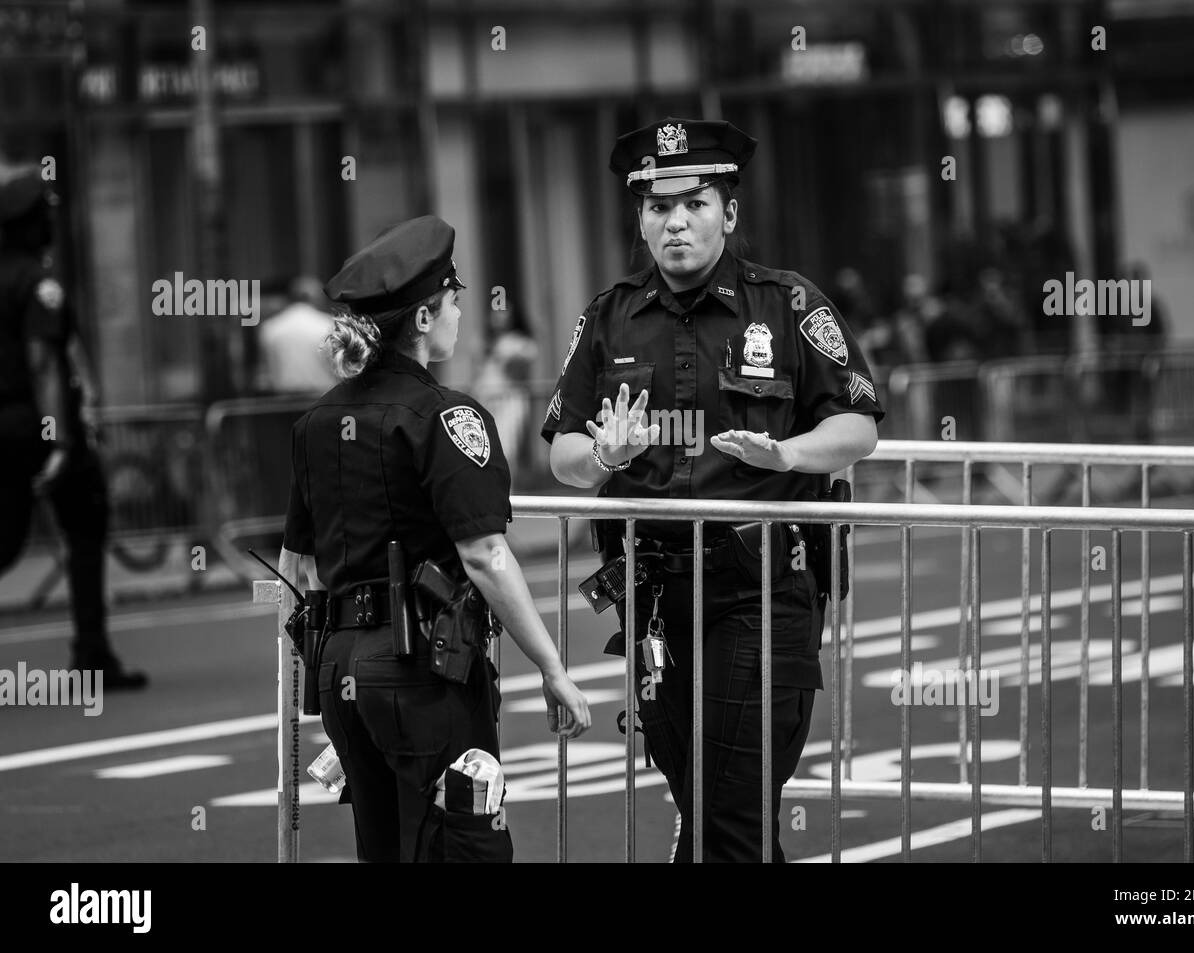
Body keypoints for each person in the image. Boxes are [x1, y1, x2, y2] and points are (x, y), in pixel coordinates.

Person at [542, 118, 884, 862]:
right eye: (659, 207)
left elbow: (858, 424)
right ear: (639, 219)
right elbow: (562, 453)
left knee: (725, 819)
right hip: (655, 601)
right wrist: (604, 453)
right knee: (716, 815)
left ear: (729, 213)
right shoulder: (606, 317)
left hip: (760, 590)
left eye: (695, 203)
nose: (676, 222)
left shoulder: (789, 305)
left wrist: (786, 451)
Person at [277, 215, 591, 863]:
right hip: (421, 668)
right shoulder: (446, 416)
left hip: (340, 668)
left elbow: (296, 566)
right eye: (454, 299)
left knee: (385, 848)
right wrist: (553, 668)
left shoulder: (317, 421)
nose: (459, 313)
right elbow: (484, 552)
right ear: (424, 318)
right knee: (465, 847)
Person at [0, 161, 146, 689]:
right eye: (45, 214)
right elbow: (43, 363)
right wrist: (58, 440)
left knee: (7, 538)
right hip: (34, 429)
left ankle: (94, 653)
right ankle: (93, 655)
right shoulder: (39, 287)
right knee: (86, 523)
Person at [477, 303, 539, 476]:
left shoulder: (520, 343)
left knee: (507, 446)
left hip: (508, 398)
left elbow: (519, 371)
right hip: (486, 398)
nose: (498, 316)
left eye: (503, 311)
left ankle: (510, 492)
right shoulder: (487, 341)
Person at [256, 275, 338, 395]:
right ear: (316, 298)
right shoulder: (329, 324)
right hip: (323, 397)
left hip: (284, 400)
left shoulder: (270, 327)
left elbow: (266, 370)